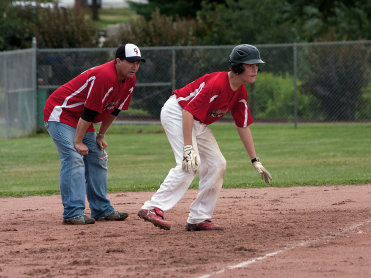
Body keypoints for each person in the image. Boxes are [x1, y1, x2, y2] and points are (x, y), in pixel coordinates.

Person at [138, 44, 272, 231]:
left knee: (218, 164)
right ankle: (153, 208)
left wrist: (254, 160)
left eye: (257, 65)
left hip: (196, 120)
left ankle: (199, 217)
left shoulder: (240, 91)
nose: (255, 69)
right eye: (250, 65)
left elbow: (242, 125)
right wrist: (188, 148)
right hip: (177, 112)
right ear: (237, 67)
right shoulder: (216, 84)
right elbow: (187, 113)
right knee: (190, 162)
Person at [43, 43, 145, 225]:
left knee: (98, 156)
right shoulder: (105, 75)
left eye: (138, 62)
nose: (135, 67)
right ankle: (73, 212)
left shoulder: (130, 79)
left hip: (82, 118)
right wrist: (78, 141)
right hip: (61, 113)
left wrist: (100, 135)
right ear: (118, 61)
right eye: (130, 62)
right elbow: (89, 113)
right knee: (74, 157)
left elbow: (115, 110)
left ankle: (101, 209)